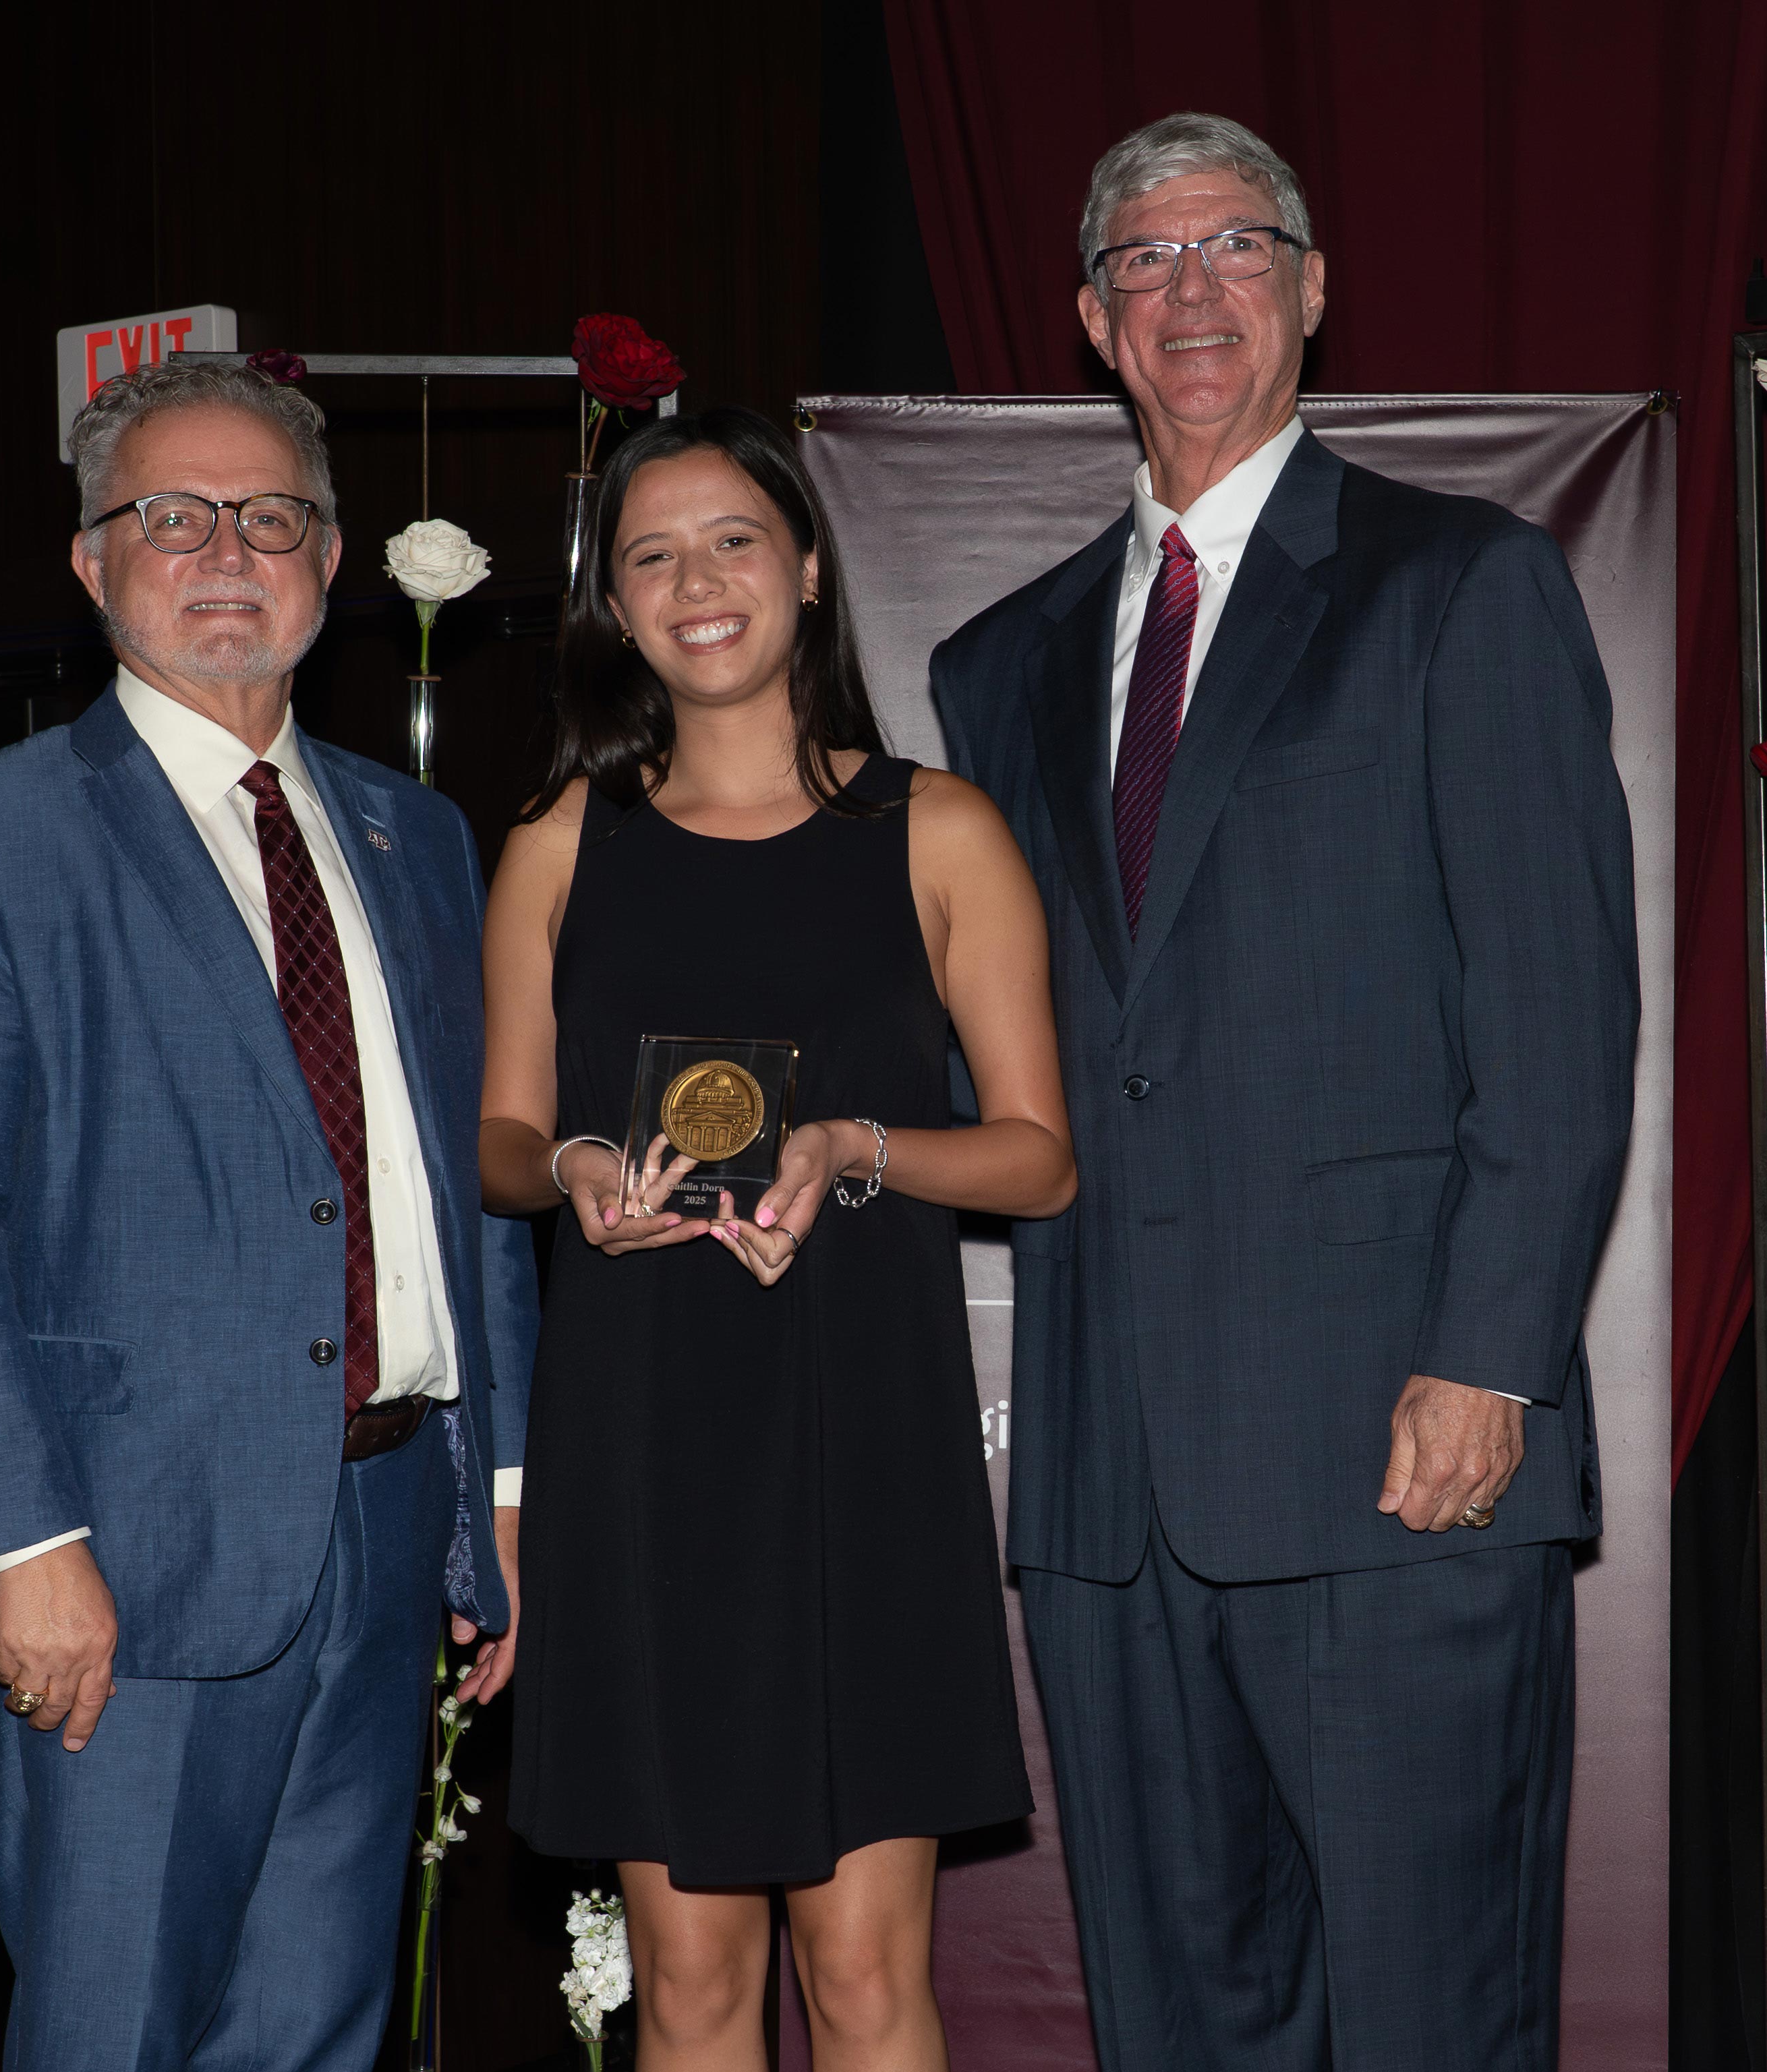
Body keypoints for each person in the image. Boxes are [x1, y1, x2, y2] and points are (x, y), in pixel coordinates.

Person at [933, 113, 1638, 2071]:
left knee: (1431, 2018)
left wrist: (1490, 1359)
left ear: (1313, 289)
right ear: (1088, 318)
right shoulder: (997, 666)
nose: (1190, 289)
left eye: (1234, 245)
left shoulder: (1459, 586)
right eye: (1142, 260)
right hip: (1104, 1490)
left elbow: (1560, 1018)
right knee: (1177, 2032)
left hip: (1396, 1459)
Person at [0, 359, 536, 2071]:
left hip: (385, 1545)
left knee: (316, 2034)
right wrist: (21, 1545)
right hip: (118, 1568)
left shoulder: (418, 834)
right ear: (92, 562)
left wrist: (502, 1491)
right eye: (171, 516)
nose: (225, 551)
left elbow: (468, 1189)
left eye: (270, 517)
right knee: (112, 2037)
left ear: (329, 559)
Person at [481, 405, 1075, 2071]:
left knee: (872, 1980)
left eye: (732, 539)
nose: (697, 581)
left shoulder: (935, 829)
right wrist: (583, 1161)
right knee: (685, 1990)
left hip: (862, 1441)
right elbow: (501, 1139)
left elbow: (1037, 1160)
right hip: (643, 1442)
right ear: (614, 604)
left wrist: (851, 1146)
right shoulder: (554, 844)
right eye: (650, 555)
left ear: (807, 568)